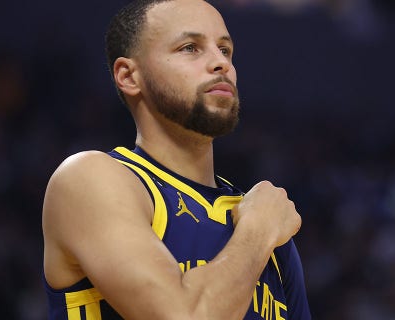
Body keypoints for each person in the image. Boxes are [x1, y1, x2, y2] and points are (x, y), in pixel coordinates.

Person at [42, 0, 311, 319]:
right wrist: (256, 233)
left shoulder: (263, 217)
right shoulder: (89, 179)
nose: (220, 63)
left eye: (225, 50)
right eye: (190, 48)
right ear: (129, 76)